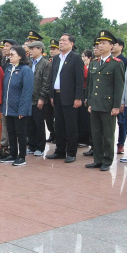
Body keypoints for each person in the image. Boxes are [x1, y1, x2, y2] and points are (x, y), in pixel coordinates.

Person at [86, 30, 125, 171]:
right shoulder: (94, 63)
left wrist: (116, 106)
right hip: (95, 103)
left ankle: (107, 161)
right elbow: (90, 85)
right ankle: (97, 159)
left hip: (108, 105)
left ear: (111, 46)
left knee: (108, 135)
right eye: (99, 43)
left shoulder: (116, 63)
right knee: (96, 134)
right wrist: (89, 102)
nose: (100, 46)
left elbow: (119, 86)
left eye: (103, 43)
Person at [48, 34, 85, 163]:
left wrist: (78, 97)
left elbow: (79, 81)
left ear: (71, 43)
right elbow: (53, 78)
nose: (61, 42)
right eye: (60, 40)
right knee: (59, 125)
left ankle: (71, 152)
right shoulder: (56, 58)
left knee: (71, 126)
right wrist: (52, 95)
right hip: (57, 96)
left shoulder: (75, 58)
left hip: (70, 97)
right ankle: (59, 150)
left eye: (64, 40)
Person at [1, 46, 34, 166]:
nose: (10, 57)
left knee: (21, 133)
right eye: (9, 54)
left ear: (20, 56)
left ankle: (22, 156)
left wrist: (23, 109)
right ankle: (13, 154)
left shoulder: (26, 70)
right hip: (8, 107)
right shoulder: (9, 69)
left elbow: (27, 91)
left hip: (19, 108)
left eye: (12, 54)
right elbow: (5, 89)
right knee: (11, 132)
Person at [26, 40, 51, 156]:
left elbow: (46, 82)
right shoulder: (29, 63)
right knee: (30, 124)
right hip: (29, 98)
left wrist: (42, 98)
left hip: (39, 99)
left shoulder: (46, 64)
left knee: (39, 123)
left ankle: (40, 147)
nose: (30, 51)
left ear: (40, 49)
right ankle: (31, 145)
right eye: (29, 48)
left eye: (33, 48)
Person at [112, 38, 127, 154]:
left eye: (115, 44)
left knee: (122, 122)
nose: (113, 46)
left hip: (121, 95)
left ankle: (121, 144)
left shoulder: (126, 62)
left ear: (121, 47)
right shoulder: (109, 60)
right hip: (109, 94)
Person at [45, 38, 60, 143]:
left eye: (54, 49)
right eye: (51, 49)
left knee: (57, 117)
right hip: (48, 93)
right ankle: (52, 133)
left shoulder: (59, 61)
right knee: (48, 116)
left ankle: (58, 134)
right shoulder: (50, 61)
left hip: (57, 93)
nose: (52, 51)